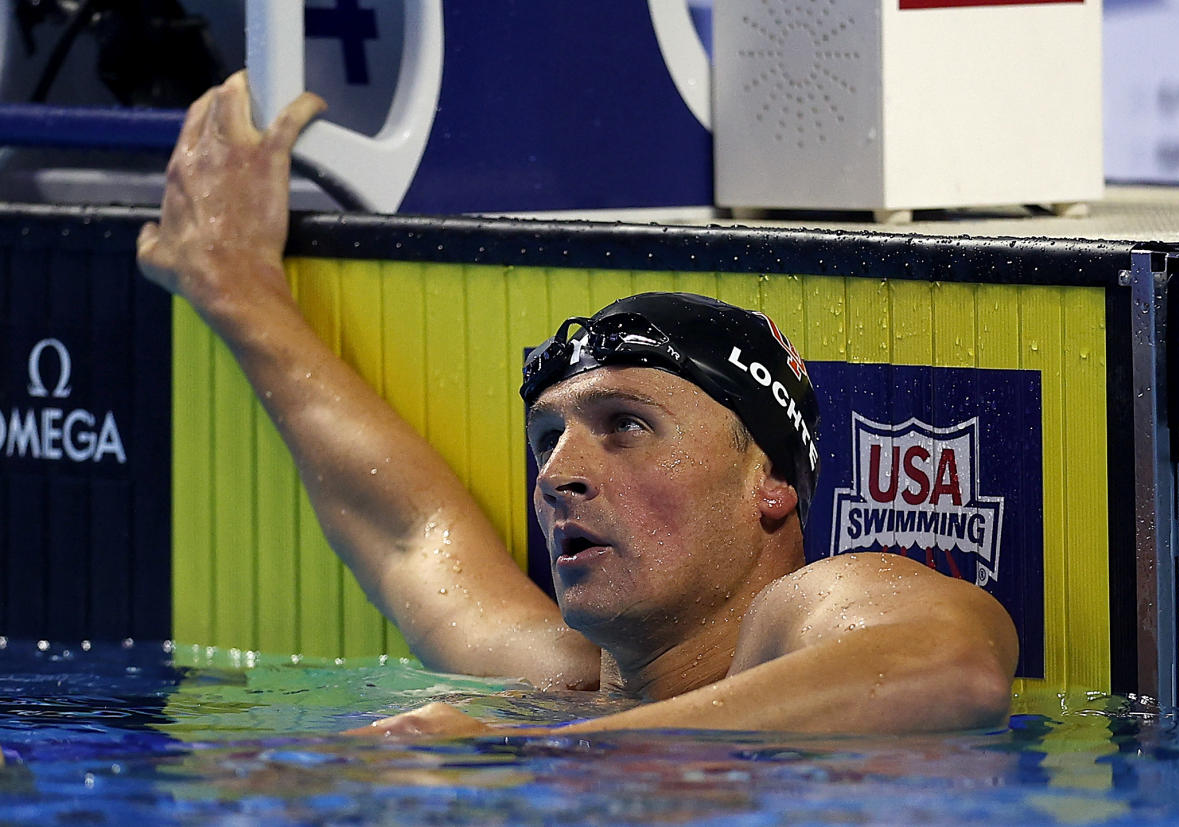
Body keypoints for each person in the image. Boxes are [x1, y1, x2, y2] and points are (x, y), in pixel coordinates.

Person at [137, 72, 1018, 738]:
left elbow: (957, 667)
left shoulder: (808, 612)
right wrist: (239, 289)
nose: (558, 474)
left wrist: (558, 753)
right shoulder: (555, 683)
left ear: (770, 484)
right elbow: (406, 529)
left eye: (627, 427)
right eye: (549, 436)